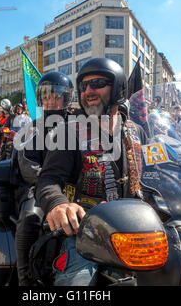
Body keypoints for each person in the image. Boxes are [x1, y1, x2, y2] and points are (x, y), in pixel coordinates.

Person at [34, 58, 147, 286]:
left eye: (96, 83)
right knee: (77, 282)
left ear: (118, 88)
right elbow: (48, 179)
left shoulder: (137, 132)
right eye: (83, 86)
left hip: (138, 228)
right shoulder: (69, 131)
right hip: (87, 232)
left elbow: (158, 175)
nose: (88, 91)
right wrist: (58, 204)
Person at [15, 71, 74, 286]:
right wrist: (50, 182)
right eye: (46, 97)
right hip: (39, 186)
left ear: (66, 97)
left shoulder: (79, 124)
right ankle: (25, 280)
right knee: (30, 218)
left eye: (56, 96)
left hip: (74, 187)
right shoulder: (32, 128)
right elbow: (28, 165)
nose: (50, 101)